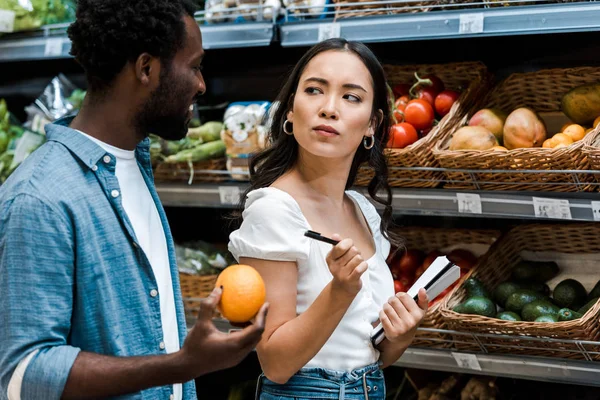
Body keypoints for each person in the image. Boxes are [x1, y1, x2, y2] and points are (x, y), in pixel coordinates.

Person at [0, 1, 267, 399]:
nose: (201, 85)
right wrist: (182, 365)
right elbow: (24, 374)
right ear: (146, 69)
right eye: (194, 66)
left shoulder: (133, 164)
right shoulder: (38, 198)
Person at [228, 38, 428, 399]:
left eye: (351, 96)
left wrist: (400, 337)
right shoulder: (274, 209)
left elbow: (367, 355)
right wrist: (339, 291)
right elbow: (275, 362)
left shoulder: (362, 209)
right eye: (314, 90)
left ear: (372, 123)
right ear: (290, 110)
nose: (329, 108)